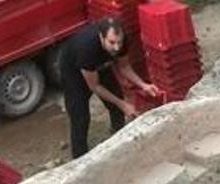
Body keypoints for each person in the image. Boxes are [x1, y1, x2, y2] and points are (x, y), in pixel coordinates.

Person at [61, 17, 160, 158]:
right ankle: (80, 158)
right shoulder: (87, 49)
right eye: (112, 42)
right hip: (75, 72)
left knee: (116, 105)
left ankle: (117, 140)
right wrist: (124, 105)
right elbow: (95, 86)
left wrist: (144, 85)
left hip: (101, 65)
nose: (117, 48)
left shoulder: (122, 42)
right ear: (101, 37)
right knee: (80, 117)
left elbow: (124, 66)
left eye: (119, 42)